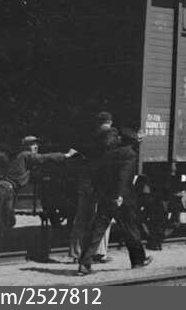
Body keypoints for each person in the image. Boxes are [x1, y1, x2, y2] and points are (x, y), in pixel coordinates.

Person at [0, 137, 78, 254]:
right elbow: (43, 158)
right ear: (26, 147)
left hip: (5, 190)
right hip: (5, 190)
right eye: (32, 145)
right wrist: (66, 155)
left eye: (36, 144)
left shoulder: (24, 160)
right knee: (1, 221)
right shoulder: (25, 155)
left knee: (1, 220)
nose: (36, 147)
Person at [78, 127, 151, 274]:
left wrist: (101, 194)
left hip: (106, 198)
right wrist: (120, 196)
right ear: (131, 142)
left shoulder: (108, 154)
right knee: (130, 229)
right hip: (122, 199)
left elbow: (98, 176)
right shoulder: (130, 154)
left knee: (97, 230)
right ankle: (138, 261)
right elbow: (124, 176)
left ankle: (84, 264)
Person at [68, 113, 118, 264]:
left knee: (82, 217)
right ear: (110, 122)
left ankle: (76, 253)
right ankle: (100, 253)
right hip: (102, 183)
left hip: (86, 182)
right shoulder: (111, 135)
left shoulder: (88, 136)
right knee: (103, 218)